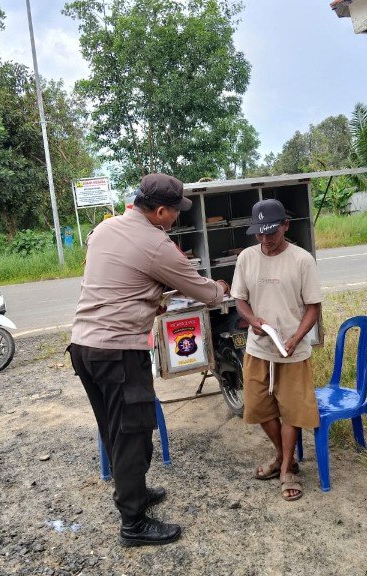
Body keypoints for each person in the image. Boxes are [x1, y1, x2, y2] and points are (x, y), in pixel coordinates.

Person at [69, 173, 229, 547]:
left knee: (113, 429)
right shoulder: (157, 244)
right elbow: (205, 293)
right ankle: (134, 524)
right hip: (118, 353)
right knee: (131, 433)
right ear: (159, 212)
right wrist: (221, 287)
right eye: (175, 211)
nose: (177, 217)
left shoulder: (104, 229)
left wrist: (148, 297)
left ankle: (135, 493)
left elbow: (114, 278)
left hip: (83, 347)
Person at [230, 198, 322, 502]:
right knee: (258, 407)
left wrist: (296, 338)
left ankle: (285, 469)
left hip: (292, 351)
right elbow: (240, 299)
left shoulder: (302, 260)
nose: (265, 239)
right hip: (258, 348)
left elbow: (313, 307)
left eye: (271, 232)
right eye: (259, 233)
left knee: (291, 411)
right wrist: (251, 319)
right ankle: (285, 456)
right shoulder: (246, 258)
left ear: (286, 226)